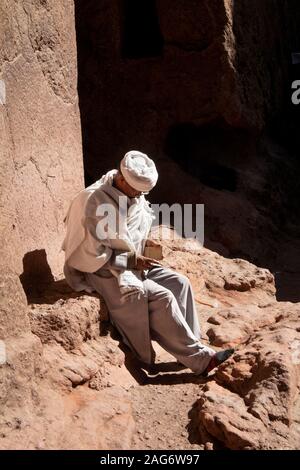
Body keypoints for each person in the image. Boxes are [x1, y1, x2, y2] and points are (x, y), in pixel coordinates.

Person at [61, 150, 234, 375]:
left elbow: (135, 228)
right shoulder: (95, 201)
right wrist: (133, 259)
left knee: (180, 283)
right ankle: (201, 360)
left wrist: (145, 242)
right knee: (163, 298)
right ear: (121, 178)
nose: (139, 196)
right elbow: (95, 256)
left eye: (143, 192)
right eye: (136, 190)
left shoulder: (132, 193)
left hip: (133, 262)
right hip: (104, 269)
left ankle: (190, 348)